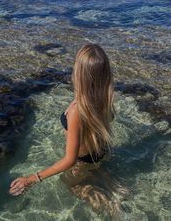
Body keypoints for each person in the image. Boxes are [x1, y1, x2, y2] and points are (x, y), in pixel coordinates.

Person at [9, 43, 124, 215]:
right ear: (105, 74)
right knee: (97, 172)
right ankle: (118, 191)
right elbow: (107, 121)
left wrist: (32, 179)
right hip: (102, 153)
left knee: (69, 183)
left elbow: (69, 160)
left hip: (83, 161)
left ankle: (113, 211)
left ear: (78, 74)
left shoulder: (77, 110)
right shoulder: (104, 99)